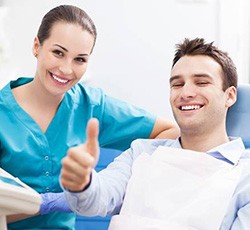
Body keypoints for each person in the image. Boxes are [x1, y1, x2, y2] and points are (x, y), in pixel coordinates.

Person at [0, 4, 179, 230]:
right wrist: (42, 204)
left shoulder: (92, 105)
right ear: (37, 46)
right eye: (58, 52)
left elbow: (170, 132)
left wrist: (110, 180)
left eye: (80, 59)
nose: (66, 69)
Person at [61, 38, 250, 230]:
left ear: (230, 95)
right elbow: (96, 199)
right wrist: (83, 183)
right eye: (177, 84)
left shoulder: (246, 174)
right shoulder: (141, 152)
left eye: (201, 82)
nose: (186, 92)